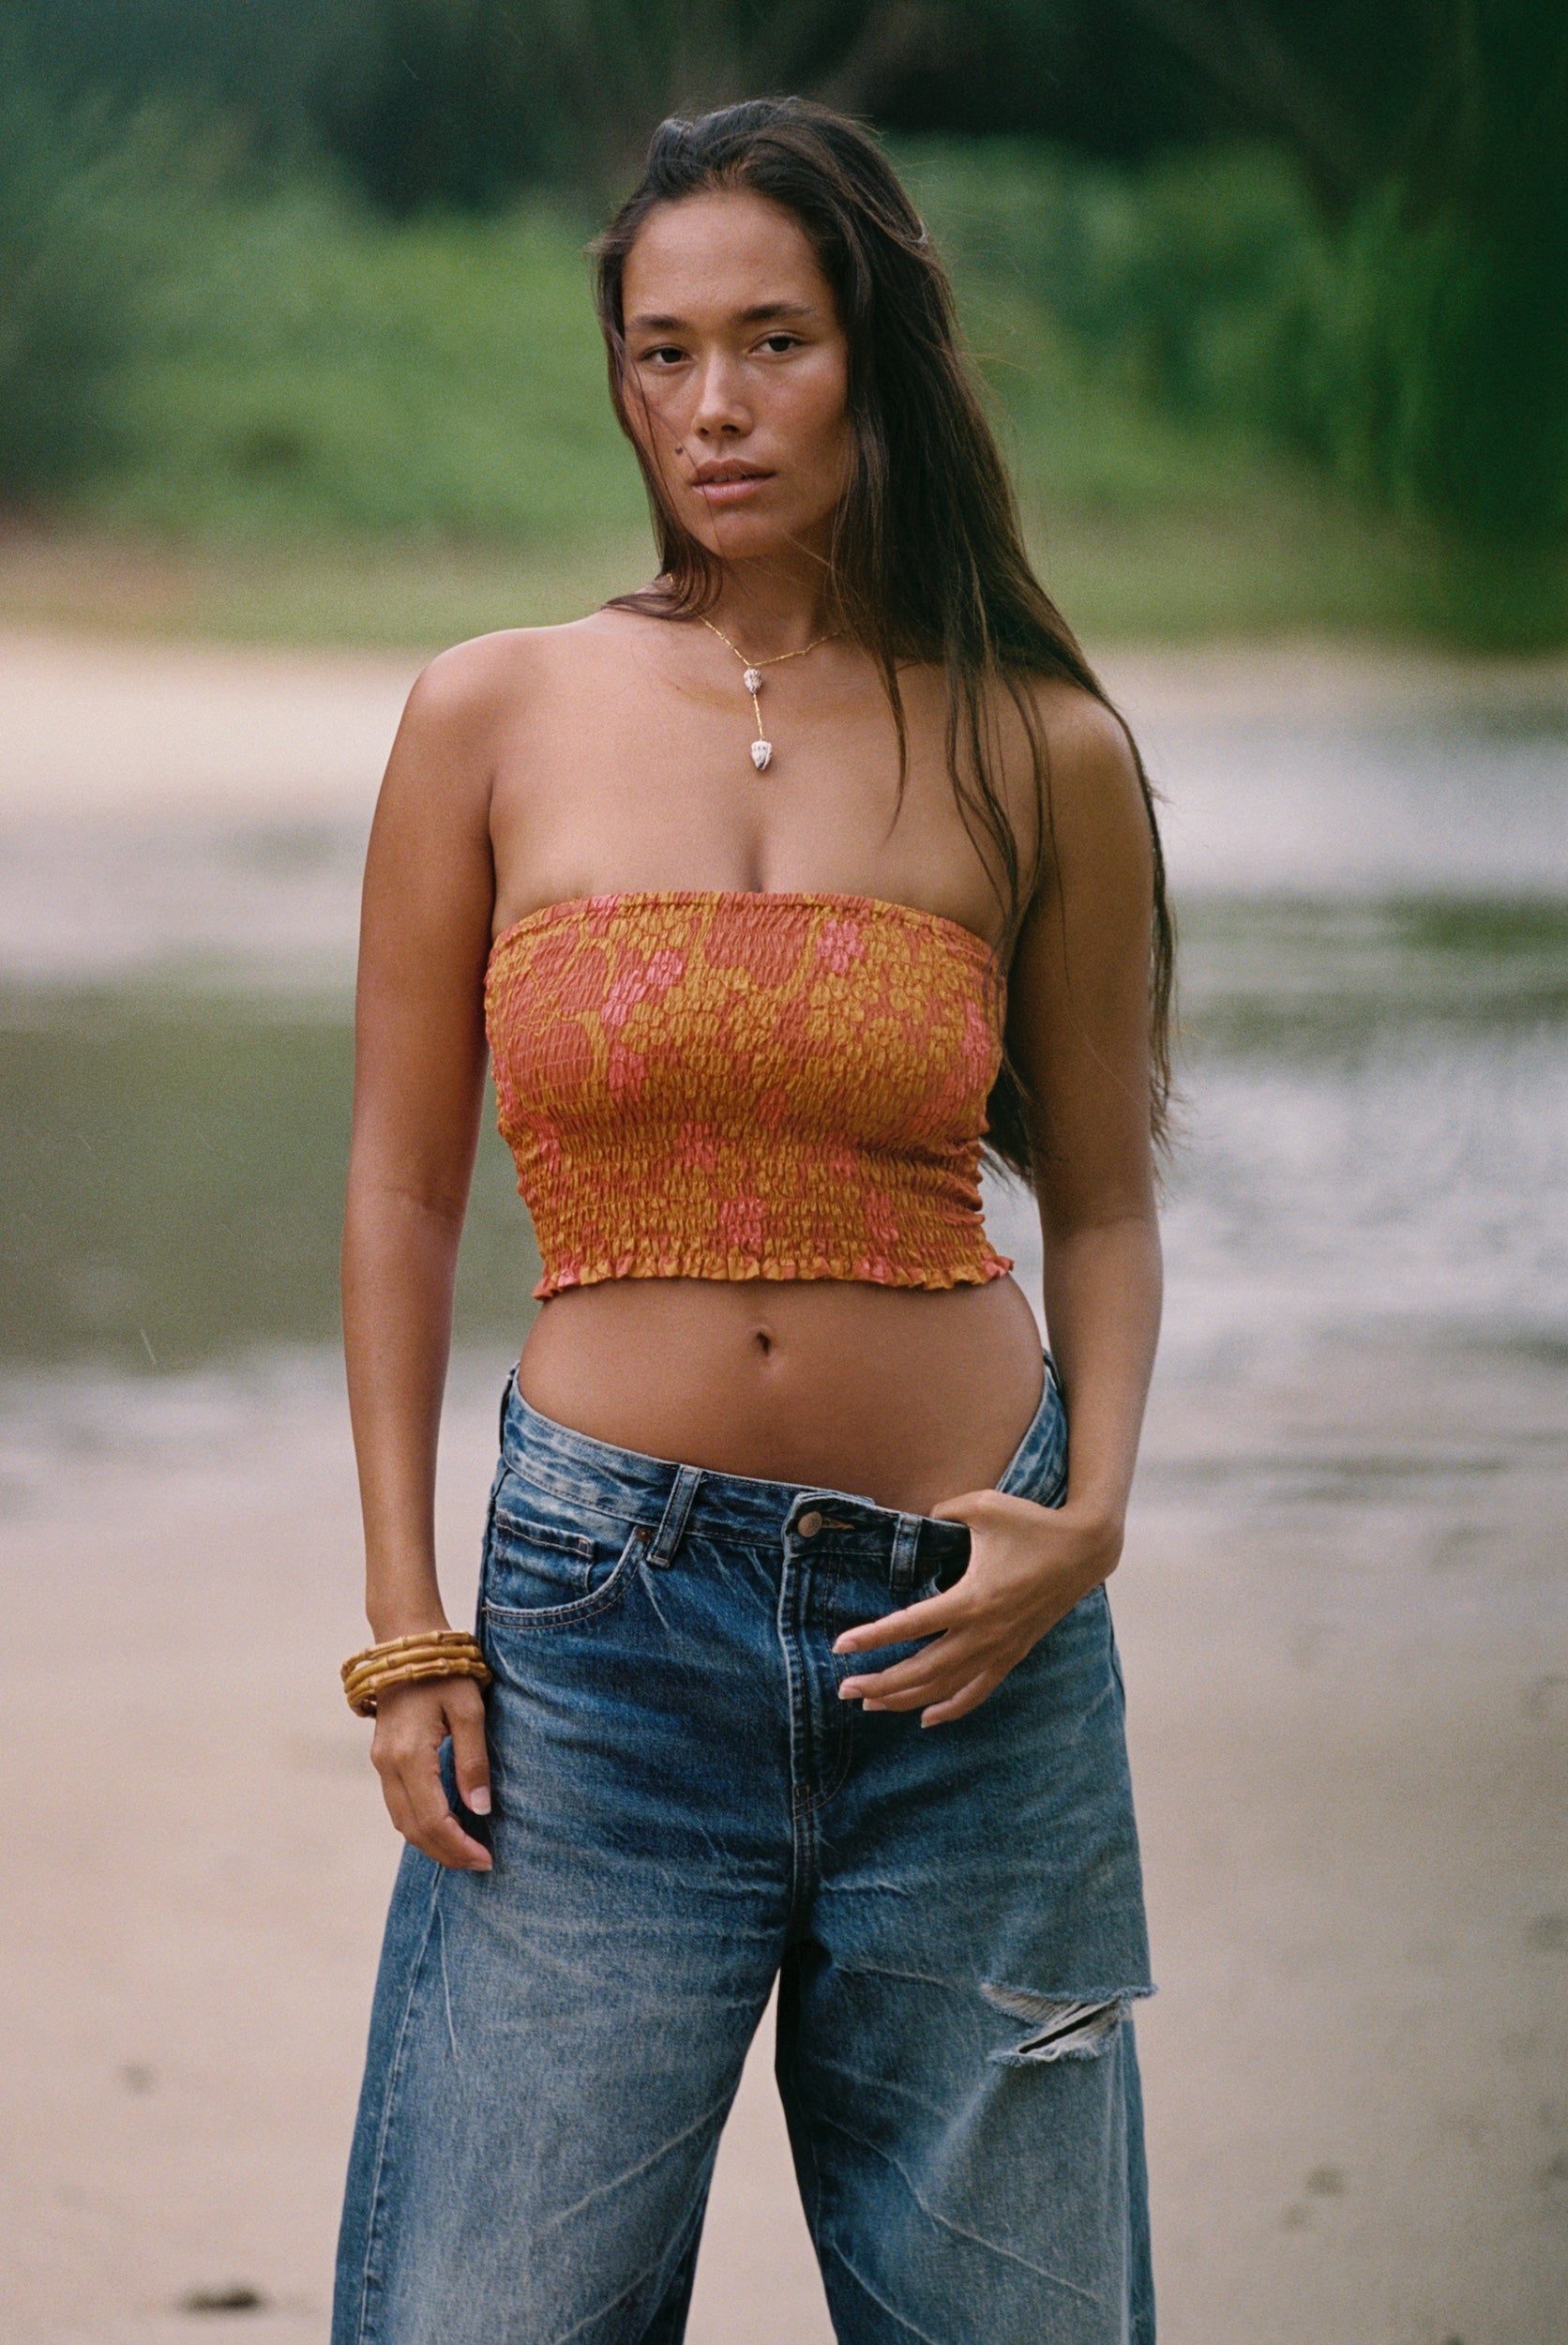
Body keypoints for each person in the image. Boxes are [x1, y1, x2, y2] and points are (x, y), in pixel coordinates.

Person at [333, 96, 1171, 2345]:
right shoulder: (490, 713)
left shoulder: (1041, 749)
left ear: (872, 349)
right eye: (661, 350)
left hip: (966, 1643)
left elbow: (1098, 1192)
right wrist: (409, 1624)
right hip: (596, 1640)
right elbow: (403, 1182)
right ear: (617, 374)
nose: (712, 404)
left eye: (772, 341)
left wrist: (1086, 1511)